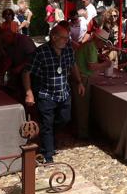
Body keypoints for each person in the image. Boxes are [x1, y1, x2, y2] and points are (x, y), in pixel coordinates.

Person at [23, 23, 85, 163]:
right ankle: (47, 154)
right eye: (63, 38)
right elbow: (26, 72)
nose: (66, 40)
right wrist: (29, 92)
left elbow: (73, 64)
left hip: (64, 93)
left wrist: (79, 81)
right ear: (53, 37)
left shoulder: (68, 50)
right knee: (47, 124)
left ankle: (48, 136)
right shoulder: (41, 52)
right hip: (46, 94)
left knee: (65, 119)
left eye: (67, 37)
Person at [73, 28, 112, 139]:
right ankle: (83, 134)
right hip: (82, 78)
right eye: (104, 43)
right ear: (99, 40)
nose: (104, 45)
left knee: (80, 107)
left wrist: (99, 58)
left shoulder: (89, 45)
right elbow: (92, 66)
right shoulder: (91, 47)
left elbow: (90, 60)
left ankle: (80, 131)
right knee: (82, 108)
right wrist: (106, 64)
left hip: (81, 77)